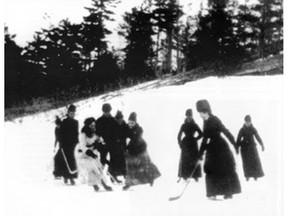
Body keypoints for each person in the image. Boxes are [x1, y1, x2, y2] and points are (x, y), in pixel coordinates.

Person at [196, 99, 241, 200]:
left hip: (221, 148)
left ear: (206, 111)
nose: (200, 115)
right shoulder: (205, 122)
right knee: (210, 169)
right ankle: (212, 193)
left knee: (224, 170)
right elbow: (205, 138)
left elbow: (225, 131)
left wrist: (235, 144)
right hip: (211, 149)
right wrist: (200, 153)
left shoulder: (215, 120)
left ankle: (228, 193)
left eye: (201, 113)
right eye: (199, 113)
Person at [123, 112, 161, 190]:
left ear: (135, 122)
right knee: (130, 166)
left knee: (145, 165)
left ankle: (151, 178)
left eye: (132, 123)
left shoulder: (139, 129)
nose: (130, 124)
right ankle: (129, 183)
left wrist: (128, 142)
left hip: (140, 148)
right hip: (131, 149)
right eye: (129, 122)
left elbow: (135, 139)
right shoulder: (126, 128)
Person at [75, 117, 112, 192]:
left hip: (92, 153)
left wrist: (100, 144)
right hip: (83, 155)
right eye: (91, 126)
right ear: (87, 126)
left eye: (94, 125)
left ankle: (101, 184)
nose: (93, 127)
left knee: (97, 168)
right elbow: (82, 146)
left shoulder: (94, 133)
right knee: (92, 168)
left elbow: (100, 140)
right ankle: (98, 184)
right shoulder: (83, 134)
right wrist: (89, 151)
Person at [53, 104, 79, 185]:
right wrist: (58, 125)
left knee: (70, 161)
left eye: (73, 113)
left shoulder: (75, 122)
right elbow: (60, 133)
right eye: (71, 113)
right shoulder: (64, 122)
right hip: (64, 144)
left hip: (71, 145)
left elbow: (76, 133)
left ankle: (71, 178)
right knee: (60, 159)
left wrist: (76, 143)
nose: (72, 115)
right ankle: (65, 176)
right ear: (68, 113)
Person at [236, 115, 265, 181]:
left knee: (255, 161)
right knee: (246, 162)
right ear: (245, 121)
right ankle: (247, 175)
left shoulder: (253, 129)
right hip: (245, 148)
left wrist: (262, 144)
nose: (247, 123)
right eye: (246, 121)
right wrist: (237, 148)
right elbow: (238, 139)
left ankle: (255, 175)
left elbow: (257, 137)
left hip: (252, 148)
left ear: (250, 122)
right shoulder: (242, 129)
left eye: (249, 122)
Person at [177, 109, 203, 182]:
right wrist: (180, 143)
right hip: (185, 144)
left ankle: (195, 175)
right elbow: (179, 135)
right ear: (186, 116)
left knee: (194, 159)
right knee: (185, 159)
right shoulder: (183, 125)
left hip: (193, 144)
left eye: (190, 116)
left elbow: (201, 134)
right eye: (188, 116)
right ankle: (184, 175)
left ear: (192, 116)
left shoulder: (194, 125)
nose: (189, 117)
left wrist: (195, 139)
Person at [109, 111, 130, 183]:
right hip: (114, 146)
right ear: (116, 119)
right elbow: (111, 135)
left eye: (121, 119)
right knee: (114, 161)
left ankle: (125, 175)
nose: (120, 121)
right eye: (118, 119)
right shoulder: (113, 125)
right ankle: (113, 177)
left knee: (123, 161)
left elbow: (127, 133)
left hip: (122, 145)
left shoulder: (124, 124)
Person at [95, 103, 117, 167]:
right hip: (103, 144)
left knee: (113, 159)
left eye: (108, 111)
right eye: (105, 112)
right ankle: (101, 174)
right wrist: (100, 140)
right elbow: (97, 133)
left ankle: (112, 173)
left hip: (112, 143)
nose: (107, 113)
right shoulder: (99, 121)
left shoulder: (113, 120)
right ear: (103, 111)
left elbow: (115, 132)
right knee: (102, 161)